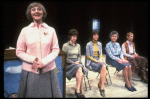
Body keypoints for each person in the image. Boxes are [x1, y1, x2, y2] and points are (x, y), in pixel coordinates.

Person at [16, 2, 62, 98]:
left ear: (43, 13)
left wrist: (43, 62)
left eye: (39, 9)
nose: (36, 11)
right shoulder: (24, 31)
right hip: (30, 71)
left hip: (48, 72)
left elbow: (55, 50)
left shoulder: (51, 30)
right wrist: (34, 59)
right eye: (33, 9)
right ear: (30, 13)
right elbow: (19, 51)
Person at [62, 29, 88, 98]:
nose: (75, 38)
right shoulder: (65, 45)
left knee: (80, 70)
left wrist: (78, 61)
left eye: (76, 37)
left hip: (77, 63)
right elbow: (64, 58)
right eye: (73, 36)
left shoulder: (78, 45)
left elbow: (79, 56)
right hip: (69, 64)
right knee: (80, 69)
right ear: (70, 36)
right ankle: (79, 91)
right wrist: (73, 62)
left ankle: (78, 90)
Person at [86, 30, 108, 97]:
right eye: (94, 35)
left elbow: (100, 53)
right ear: (92, 36)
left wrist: (100, 59)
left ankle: (100, 84)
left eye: (97, 35)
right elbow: (88, 56)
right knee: (104, 69)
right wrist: (96, 61)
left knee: (104, 70)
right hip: (91, 61)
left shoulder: (100, 44)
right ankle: (102, 88)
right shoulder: (88, 44)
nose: (96, 36)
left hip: (98, 60)